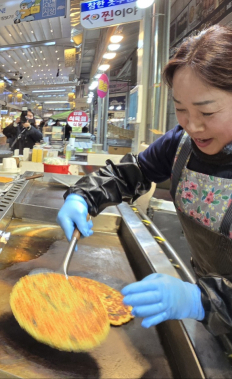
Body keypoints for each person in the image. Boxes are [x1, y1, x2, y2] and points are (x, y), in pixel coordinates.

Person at [56, 25, 232, 335]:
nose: (192, 125)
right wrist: (84, 196)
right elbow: (129, 173)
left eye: (207, 112)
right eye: (180, 109)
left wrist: (201, 300)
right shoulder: (181, 143)